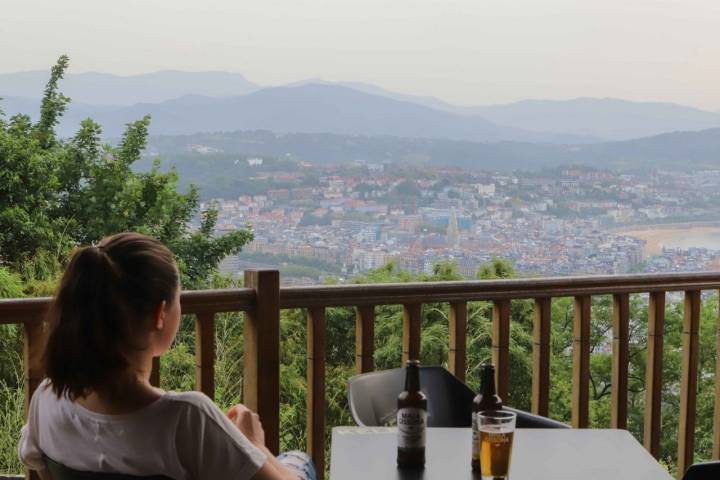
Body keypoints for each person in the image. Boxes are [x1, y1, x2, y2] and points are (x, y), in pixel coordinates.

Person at [18, 232, 315, 480]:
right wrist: (253, 446)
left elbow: (41, 466)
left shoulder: (47, 400)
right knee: (298, 460)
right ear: (161, 313)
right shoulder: (186, 419)